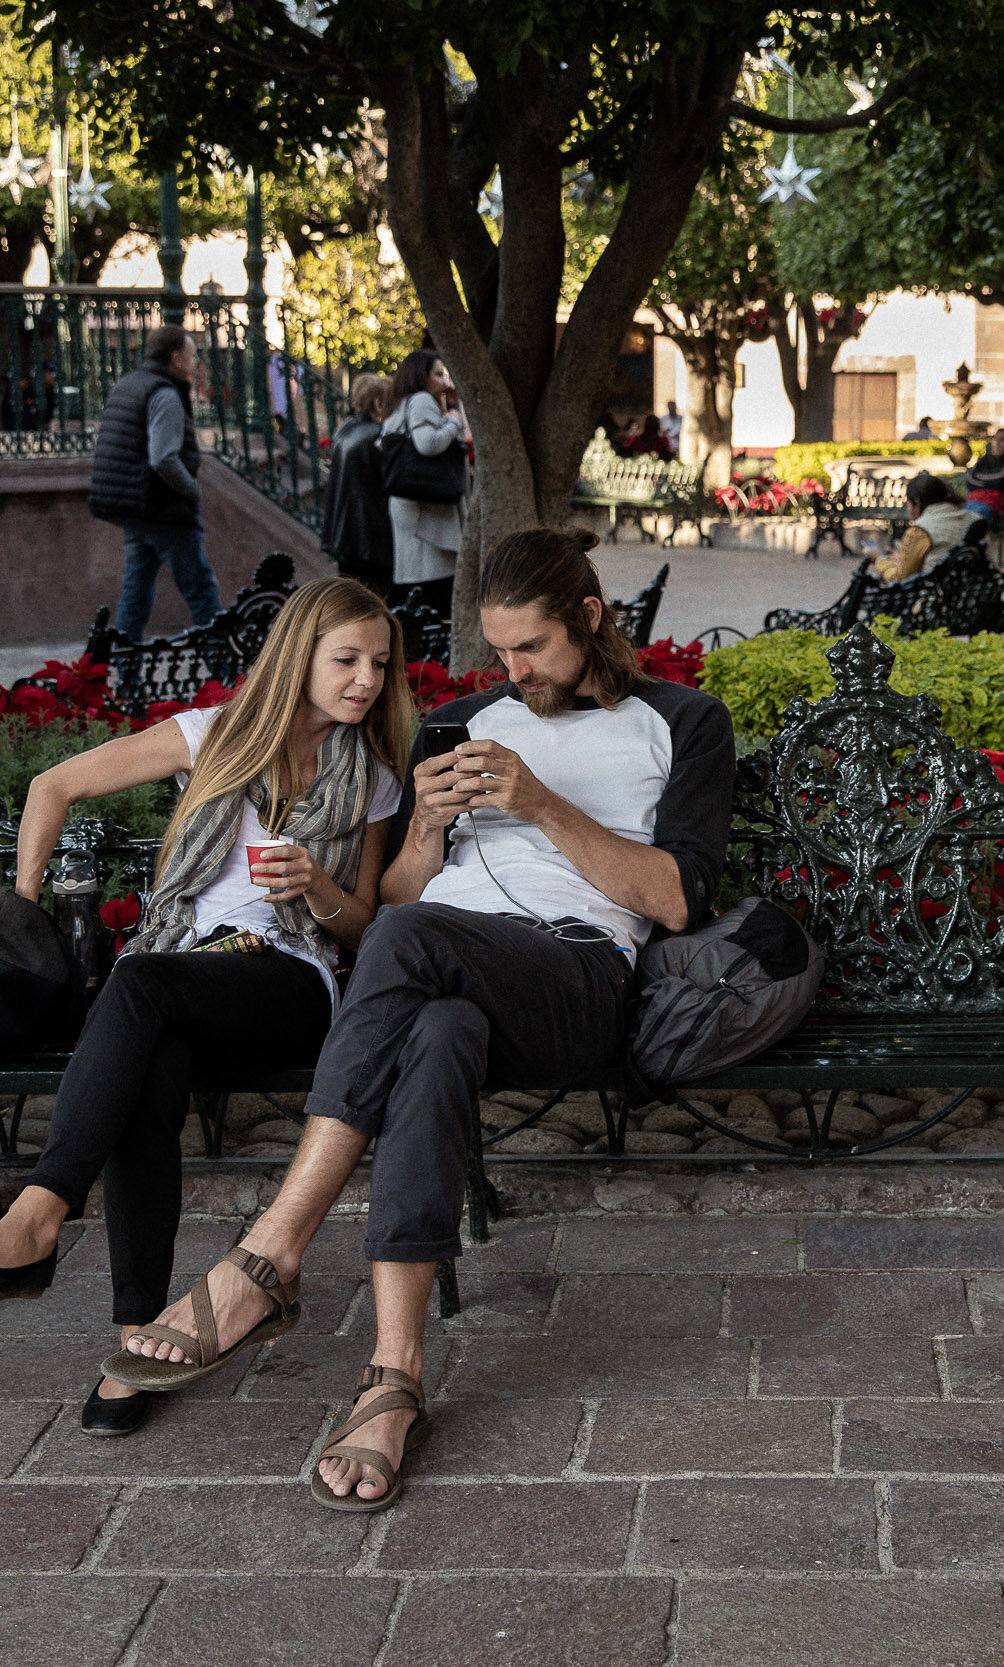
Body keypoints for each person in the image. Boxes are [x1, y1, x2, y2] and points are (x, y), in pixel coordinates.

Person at [109, 526, 736, 1511]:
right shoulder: (459, 719)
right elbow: (399, 894)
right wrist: (433, 825)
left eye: (531, 647)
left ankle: (267, 1253)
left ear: (589, 618)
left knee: (414, 946)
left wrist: (540, 804)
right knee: (436, 1026)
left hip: (579, 975)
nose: (512, 669)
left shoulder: (681, 720)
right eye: (498, 649)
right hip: (452, 968)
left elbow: (672, 901)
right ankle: (392, 1377)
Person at [0, 579, 413, 1436]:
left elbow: (365, 928)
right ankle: (134, 1342)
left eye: (378, 662)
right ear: (300, 656)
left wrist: (320, 887)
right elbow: (51, 787)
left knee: (137, 985)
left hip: (288, 980)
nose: (366, 678)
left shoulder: (369, 776)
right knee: (150, 1063)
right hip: (181, 978)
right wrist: (24, 912)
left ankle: (38, 1214)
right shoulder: (210, 735)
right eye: (346, 659)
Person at [89, 326, 224, 640]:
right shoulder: (165, 393)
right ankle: (225, 676)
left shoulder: (128, 384)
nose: (195, 362)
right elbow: (163, 457)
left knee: (135, 592)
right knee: (201, 591)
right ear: (176, 358)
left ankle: (127, 675)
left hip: (136, 506)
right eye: (191, 355)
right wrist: (191, 489)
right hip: (165, 508)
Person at [382, 349, 466, 624]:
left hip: (414, 503)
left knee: (420, 584)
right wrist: (454, 419)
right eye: (438, 374)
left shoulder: (401, 403)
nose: (445, 380)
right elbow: (428, 444)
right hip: (426, 507)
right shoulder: (420, 400)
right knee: (434, 587)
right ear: (421, 376)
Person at [320, 372, 396, 594]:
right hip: (372, 540)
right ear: (379, 404)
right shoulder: (378, 436)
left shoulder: (345, 429)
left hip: (345, 537)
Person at [874, 472, 979, 581]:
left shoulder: (919, 531)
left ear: (916, 503)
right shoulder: (974, 520)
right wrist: (902, 558)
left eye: (908, 504)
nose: (908, 510)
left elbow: (901, 579)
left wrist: (879, 560)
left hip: (932, 594)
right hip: (970, 592)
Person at [963, 426, 1004, 520]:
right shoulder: (983, 460)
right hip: (972, 501)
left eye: (1002, 440)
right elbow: (970, 481)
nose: (997, 443)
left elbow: (1000, 482)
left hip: (995, 505)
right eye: (995, 439)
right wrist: (992, 482)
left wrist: (981, 479)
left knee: (976, 517)